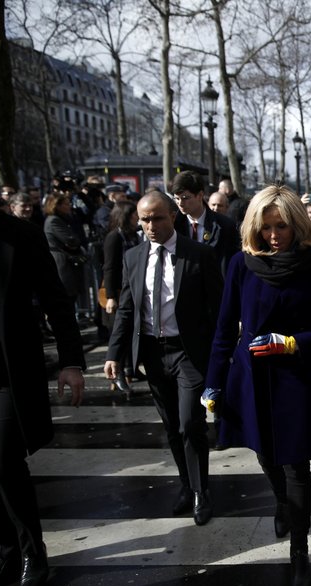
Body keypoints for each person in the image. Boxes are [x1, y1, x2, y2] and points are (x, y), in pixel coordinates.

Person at [203, 186, 311, 586]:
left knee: (297, 464)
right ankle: (282, 501)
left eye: (281, 225)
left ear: (297, 224)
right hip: (250, 378)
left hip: (299, 378)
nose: (273, 235)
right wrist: (213, 381)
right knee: (266, 455)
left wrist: (294, 342)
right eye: (265, 227)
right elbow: (223, 327)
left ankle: (299, 548)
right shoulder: (240, 265)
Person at [0, 143, 85, 586]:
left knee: (1, 462)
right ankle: (5, 554)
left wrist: (72, 361)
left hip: (9, 376)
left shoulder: (19, 235)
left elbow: (56, 299)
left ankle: (34, 554)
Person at [104, 190, 223, 526]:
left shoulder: (198, 254)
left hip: (188, 353)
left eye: (157, 218)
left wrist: (220, 357)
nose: (151, 225)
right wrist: (115, 353)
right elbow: (127, 309)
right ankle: (186, 484)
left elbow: (217, 309)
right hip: (154, 355)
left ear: (173, 216)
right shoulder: (134, 256)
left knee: (190, 424)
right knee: (171, 426)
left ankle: (202, 491)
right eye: (144, 219)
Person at [101, 199, 142, 395]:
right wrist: (110, 296)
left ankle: (129, 370)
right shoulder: (114, 238)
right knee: (118, 333)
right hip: (118, 292)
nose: (137, 220)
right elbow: (109, 267)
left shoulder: (132, 236)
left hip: (132, 290)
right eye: (135, 216)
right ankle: (117, 375)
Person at [172, 171, 241, 275]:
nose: (180, 203)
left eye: (185, 198)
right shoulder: (173, 226)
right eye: (177, 198)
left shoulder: (225, 226)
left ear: (200, 195)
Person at [43, 192, 87, 314]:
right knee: (66, 299)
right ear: (56, 205)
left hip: (68, 262)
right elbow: (71, 240)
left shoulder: (63, 219)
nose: (69, 207)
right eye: (66, 204)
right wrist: (75, 241)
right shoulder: (53, 221)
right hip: (62, 263)